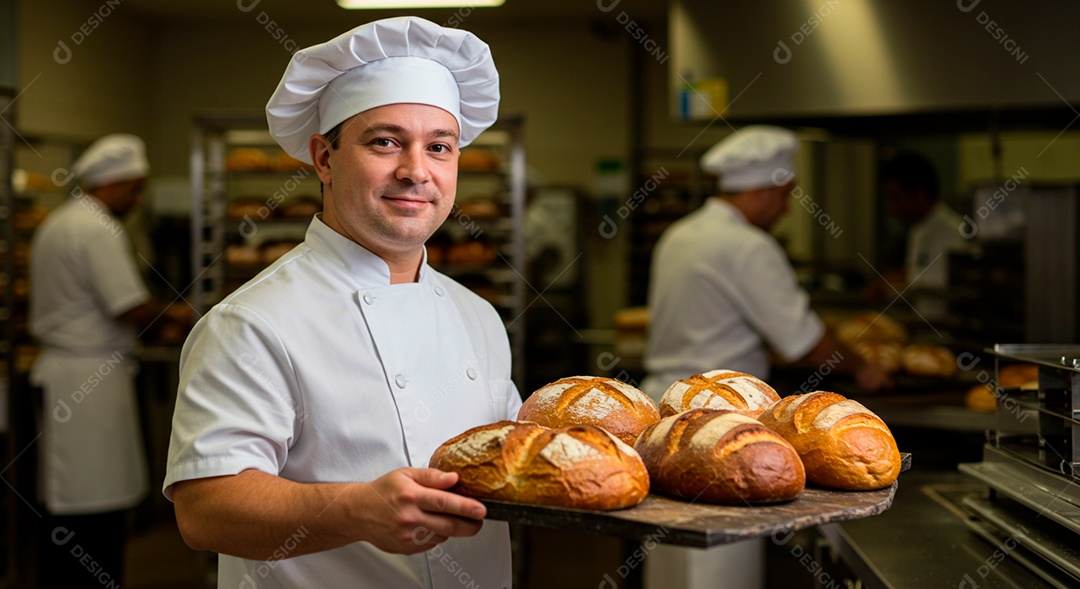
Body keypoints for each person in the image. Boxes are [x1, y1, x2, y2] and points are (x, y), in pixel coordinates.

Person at [164, 17, 521, 588]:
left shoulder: (477, 315)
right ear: (324, 159)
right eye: (385, 142)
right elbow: (205, 509)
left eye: (439, 147)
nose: (415, 171)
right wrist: (354, 511)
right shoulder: (251, 323)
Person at [640, 126, 891, 589]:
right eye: (786, 195)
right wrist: (864, 367)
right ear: (764, 189)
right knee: (716, 563)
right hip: (721, 421)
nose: (786, 208)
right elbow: (803, 342)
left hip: (664, 412)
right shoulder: (749, 247)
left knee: (672, 550)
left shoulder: (681, 234)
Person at [29, 133, 182, 586]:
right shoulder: (96, 228)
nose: (138, 201)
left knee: (81, 496)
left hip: (78, 371)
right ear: (112, 184)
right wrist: (188, 314)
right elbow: (130, 305)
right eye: (135, 189)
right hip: (85, 381)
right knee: (90, 503)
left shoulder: (61, 221)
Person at [879, 150, 970, 319]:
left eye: (896, 197)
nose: (892, 207)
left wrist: (896, 283)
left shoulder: (955, 231)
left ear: (920, 194)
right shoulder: (917, 230)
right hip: (923, 327)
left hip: (947, 331)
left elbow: (951, 288)